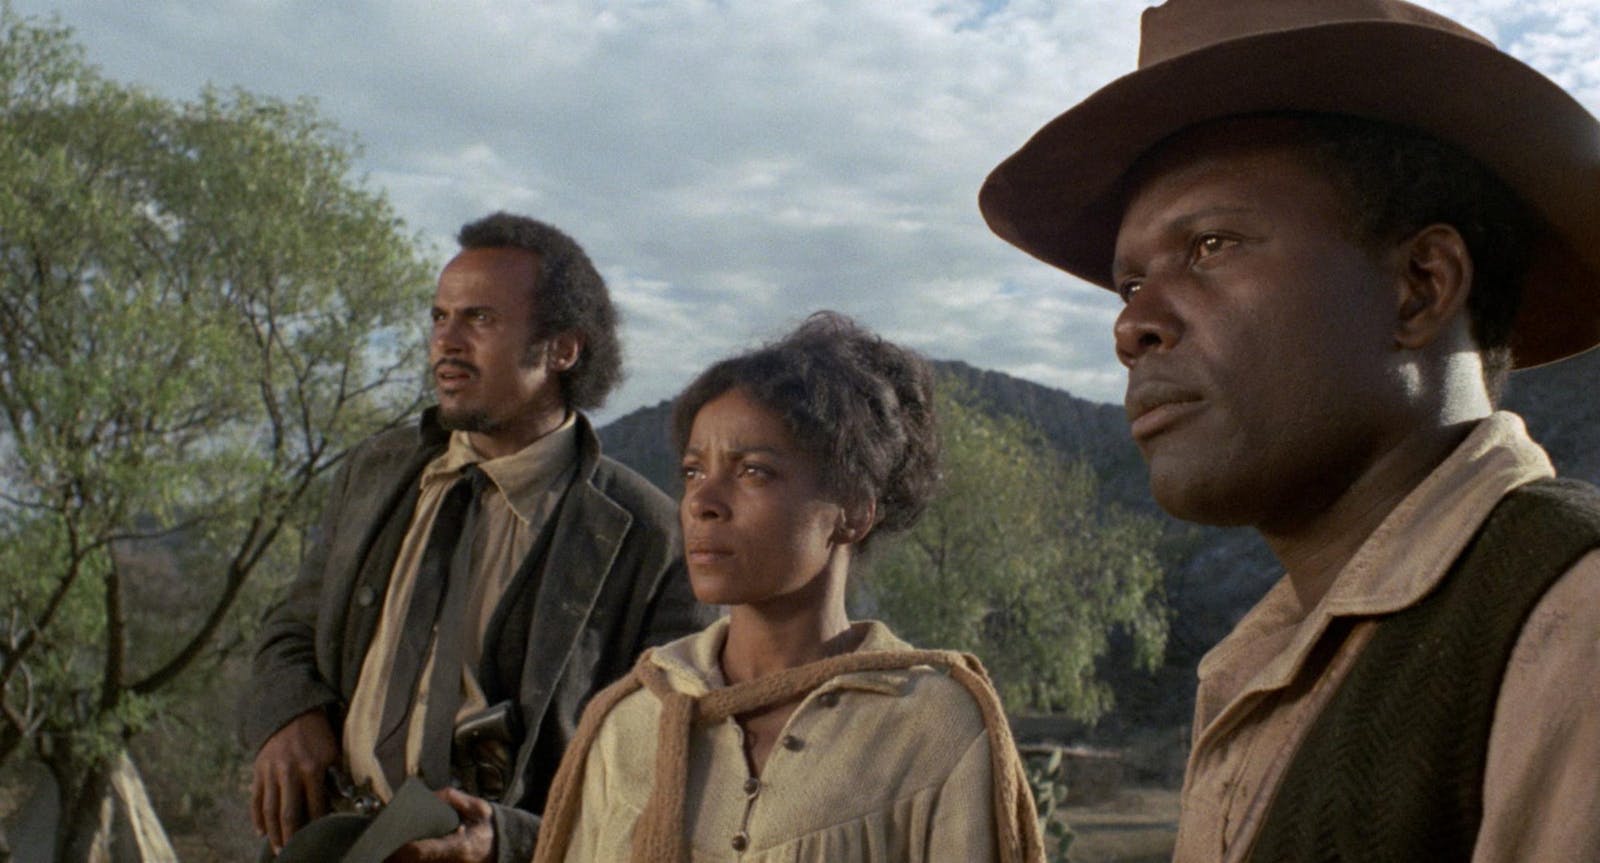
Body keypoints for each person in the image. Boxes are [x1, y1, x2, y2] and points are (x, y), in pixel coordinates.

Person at [979, 1, 1600, 860]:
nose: (1133, 327)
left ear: (1421, 284)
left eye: (1211, 245)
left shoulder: (1569, 629)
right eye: (1128, 286)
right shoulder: (1264, 662)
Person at [241, 212, 709, 862]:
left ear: (562, 348)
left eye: (479, 319)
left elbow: (665, 771)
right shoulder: (375, 473)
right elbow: (290, 630)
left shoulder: (651, 540)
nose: (445, 342)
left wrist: (511, 841)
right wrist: (290, 714)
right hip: (333, 840)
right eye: (439, 317)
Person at [529, 312, 1045, 862]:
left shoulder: (933, 727)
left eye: (753, 471)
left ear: (852, 514)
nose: (703, 503)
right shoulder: (632, 719)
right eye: (692, 472)